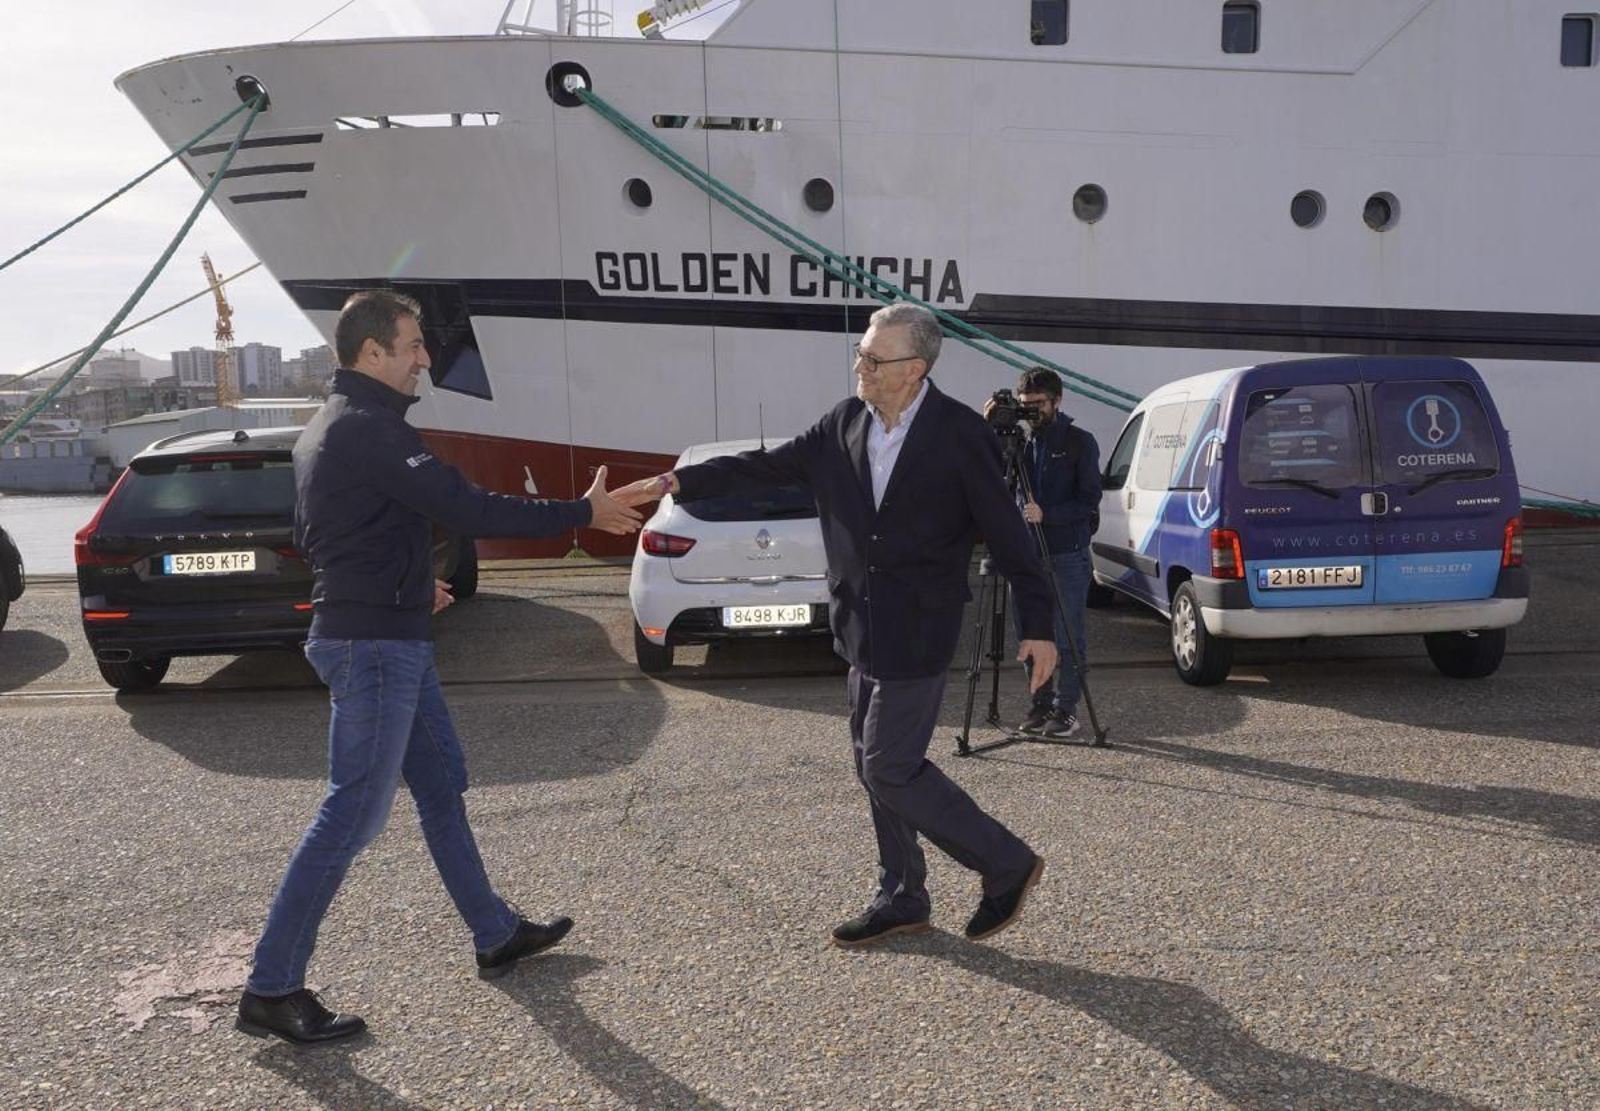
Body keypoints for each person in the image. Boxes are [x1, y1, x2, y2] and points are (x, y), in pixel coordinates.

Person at [237, 290, 651, 1045]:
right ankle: (271, 986)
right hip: (375, 648)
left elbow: (322, 532)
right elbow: (469, 508)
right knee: (352, 815)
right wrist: (579, 513)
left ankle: (494, 931)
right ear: (373, 354)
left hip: (385, 631)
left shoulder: (330, 428)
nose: (426, 357)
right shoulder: (369, 429)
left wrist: (403, 580)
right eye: (413, 344)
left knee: (442, 783)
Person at [618, 302, 1058, 949]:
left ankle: (1005, 861)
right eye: (860, 351)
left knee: (890, 766)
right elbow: (764, 465)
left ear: (913, 369)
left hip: (919, 629)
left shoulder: (962, 435)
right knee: (868, 764)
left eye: (873, 358)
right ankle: (902, 893)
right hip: (859, 628)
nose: (860, 365)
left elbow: (1010, 534)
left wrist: (1039, 625)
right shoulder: (845, 421)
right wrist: (673, 479)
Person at [991, 367, 1102, 739]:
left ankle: (1066, 709)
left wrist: (1048, 515)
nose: (1031, 412)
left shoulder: (1079, 442)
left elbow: (1089, 501)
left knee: (1069, 637)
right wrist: (990, 427)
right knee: (1030, 634)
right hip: (1026, 558)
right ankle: (1040, 703)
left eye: (1037, 405)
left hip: (1067, 556)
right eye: (1024, 406)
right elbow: (990, 480)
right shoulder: (1020, 443)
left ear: (1057, 400)